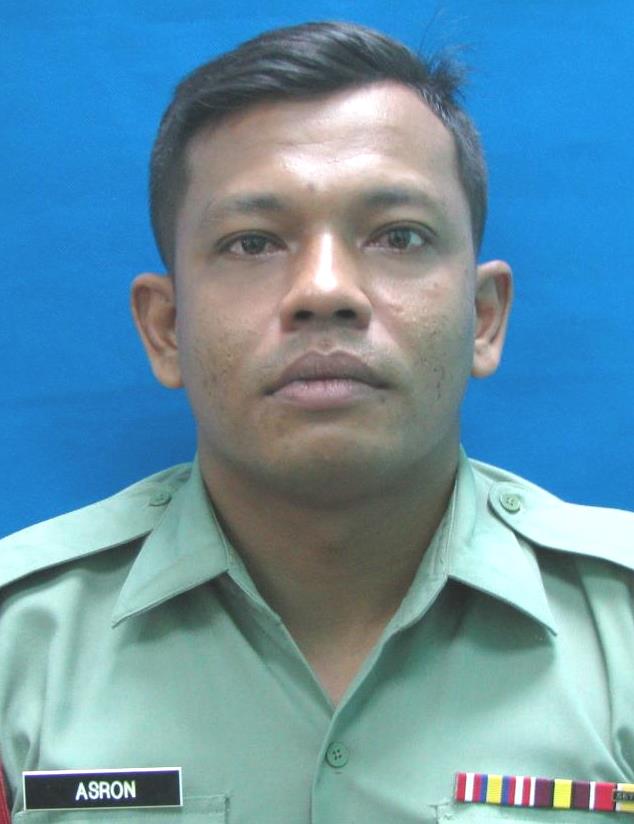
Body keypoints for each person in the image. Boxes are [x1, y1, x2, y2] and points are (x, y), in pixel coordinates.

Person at [1, 20, 632, 823]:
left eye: (399, 235)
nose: (325, 290)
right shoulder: (18, 648)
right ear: (165, 329)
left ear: (483, 317)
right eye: (252, 243)